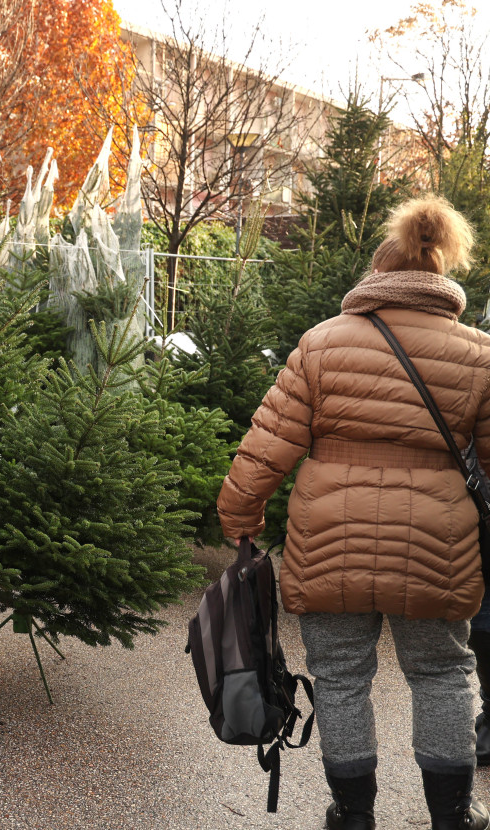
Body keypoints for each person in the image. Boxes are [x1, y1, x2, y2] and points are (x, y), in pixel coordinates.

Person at [217, 195, 490, 830]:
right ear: (439, 271)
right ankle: (453, 814)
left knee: (339, 676)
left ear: (377, 273)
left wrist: (240, 516)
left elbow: (267, 444)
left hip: (329, 537)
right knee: (444, 673)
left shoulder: (322, 344)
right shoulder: (479, 355)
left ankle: (353, 813)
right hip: (437, 542)